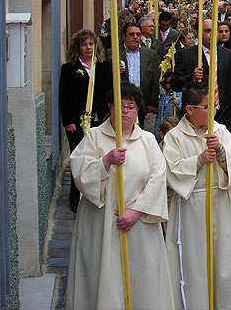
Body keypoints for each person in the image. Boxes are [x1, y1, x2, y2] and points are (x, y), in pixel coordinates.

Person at [65, 82, 173, 309]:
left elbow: (158, 177)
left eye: (131, 107)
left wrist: (136, 212)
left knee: (141, 278)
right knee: (103, 276)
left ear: (138, 110)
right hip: (102, 221)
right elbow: (80, 172)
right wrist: (106, 161)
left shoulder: (147, 141)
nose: (125, 111)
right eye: (120, 105)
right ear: (110, 107)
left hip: (139, 223)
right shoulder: (94, 136)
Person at [163, 83, 231, 310]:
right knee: (194, 264)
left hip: (219, 204)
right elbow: (170, 170)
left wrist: (221, 151)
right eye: (205, 107)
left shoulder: (219, 131)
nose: (212, 111)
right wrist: (199, 160)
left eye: (213, 105)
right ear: (189, 109)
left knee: (223, 262)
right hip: (191, 207)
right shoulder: (175, 137)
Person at [59, 29, 112, 212]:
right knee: (80, 160)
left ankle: (97, 194)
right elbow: (64, 96)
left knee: (98, 158)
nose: (88, 48)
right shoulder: (69, 69)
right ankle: (76, 198)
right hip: (77, 123)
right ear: (77, 47)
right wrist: (68, 121)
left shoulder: (104, 66)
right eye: (84, 44)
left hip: (100, 121)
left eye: (91, 44)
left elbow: (110, 91)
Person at [172, 19, 231, 132]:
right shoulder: (186, 55)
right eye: (208, 31)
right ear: (199, 33)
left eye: (215, 30)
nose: (212, 34)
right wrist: (191, 77)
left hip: (224, 115)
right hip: (196, 117)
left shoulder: (229, 55)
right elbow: (174, 84)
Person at [113, 22, 160, 127]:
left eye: (138, 34)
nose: (135, 37)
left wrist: (152, 102)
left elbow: (154, 79)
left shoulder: (151, 55)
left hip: (141, 101)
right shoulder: (113, 53)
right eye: (131, 34)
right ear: (124, 36)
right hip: (121, 100)